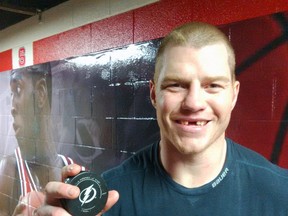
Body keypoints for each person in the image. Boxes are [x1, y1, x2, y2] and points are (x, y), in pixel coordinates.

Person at [34, 22, 288, 215]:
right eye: (176, 85)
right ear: (154, 94)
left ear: (233, 95)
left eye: (212, 85)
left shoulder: (280, 193)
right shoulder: (107, 199)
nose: (194, 103)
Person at [0, 63, 75, 215]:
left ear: (40, 93)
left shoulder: (70, 168)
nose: (12, 108)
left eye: (18, 90)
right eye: (11, 94)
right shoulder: (9, 168)